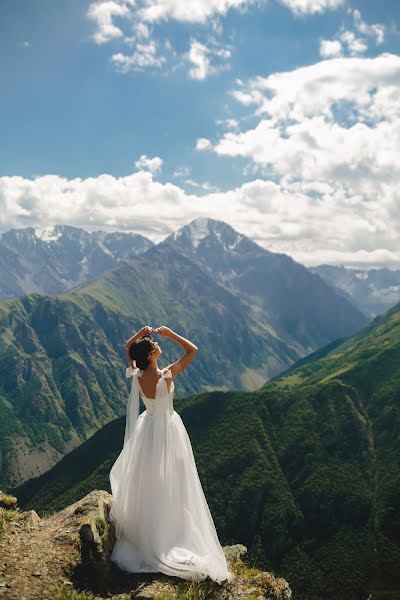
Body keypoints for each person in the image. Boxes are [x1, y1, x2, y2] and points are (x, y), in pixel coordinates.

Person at [109, 325, 234, 585]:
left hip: (148, 428)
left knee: (150, 480)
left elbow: (127, 351)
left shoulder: (137, 374)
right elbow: (192, 350)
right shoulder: (166, 376)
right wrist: (170, 335)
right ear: (152, 355)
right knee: (174, 481)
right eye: (154, 346)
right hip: (168, 431)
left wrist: (138, 337)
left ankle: (150, 530)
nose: (157, 346)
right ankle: (170, 532)